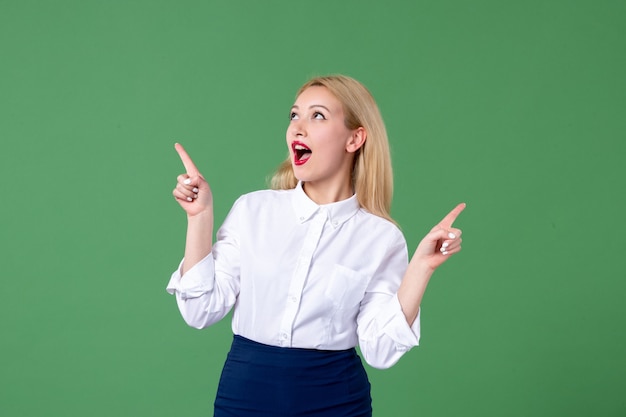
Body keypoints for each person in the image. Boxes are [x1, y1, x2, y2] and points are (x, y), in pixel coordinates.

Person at [167, 74, 465, 417]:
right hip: (246, 396)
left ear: (355, 138)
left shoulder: (380, 238)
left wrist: (421, 269)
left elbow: (381, 351)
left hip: (336, 401)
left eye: (317, 116)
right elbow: (200, 310)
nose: (298, 128)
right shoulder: (253, 211)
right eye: (295, 115)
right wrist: (200, 217)